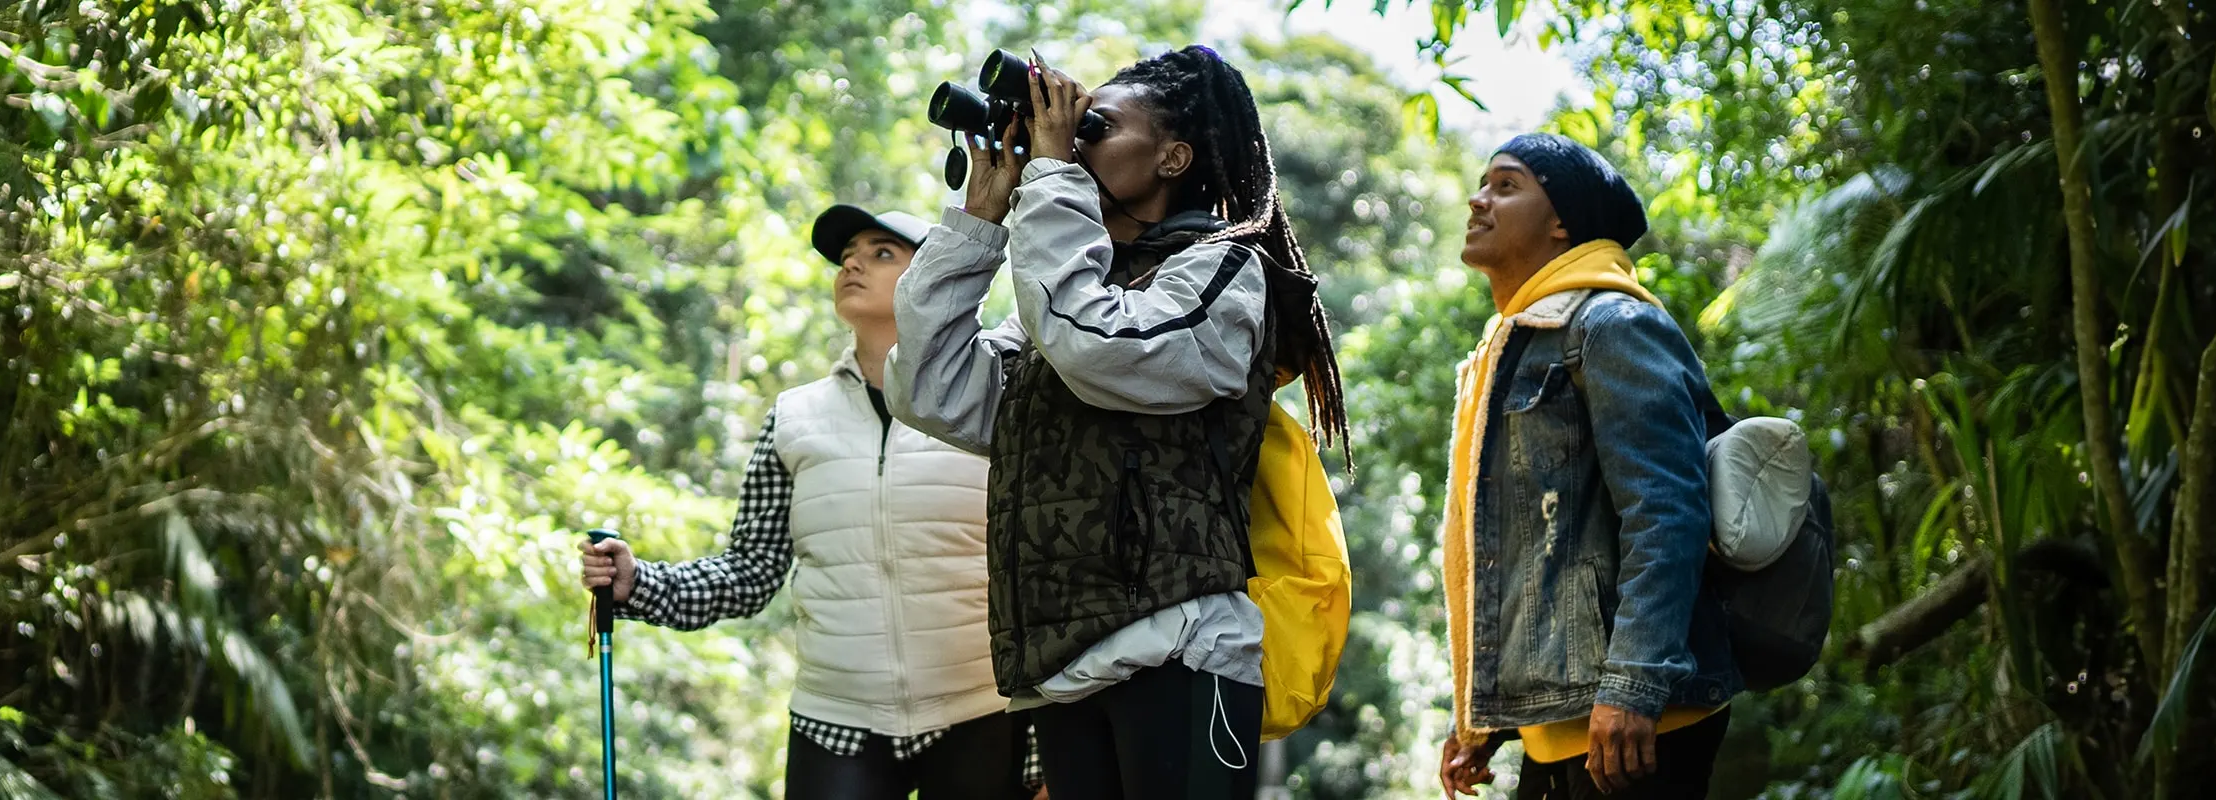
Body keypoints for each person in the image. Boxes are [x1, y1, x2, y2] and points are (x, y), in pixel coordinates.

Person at [885, 45, 1348, 800]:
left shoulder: (1225, 271)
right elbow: (929, 385)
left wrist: (1054, 178)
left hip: (1182, 652)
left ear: (1174, 157)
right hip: (1061, 668)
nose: (1067, 141)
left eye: (1092, 125)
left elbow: (1100, 344)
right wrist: (979, 224)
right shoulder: (1061, 298)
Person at [579, 205, 1040, 800]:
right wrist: (636, 583)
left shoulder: (994, 397)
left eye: (882, 253)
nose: (852, 262)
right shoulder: (795, 417)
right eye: (848, 253)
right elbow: (751, 571)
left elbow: (1040, 566)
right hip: (835, 722)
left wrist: (1043, 752)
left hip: (981, 710)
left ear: (935, 277)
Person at [1432, 133, 1742, 800]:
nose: (1478, 199)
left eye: (1506, 185)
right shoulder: (1512, 347)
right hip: (1562, 722)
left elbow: (1666, 512)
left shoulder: (1610, 324)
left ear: (1561, 222)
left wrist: (1634, 684)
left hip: (1639, 721)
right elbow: (1518, 554)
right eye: (1484, 184)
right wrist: (1479, 720)